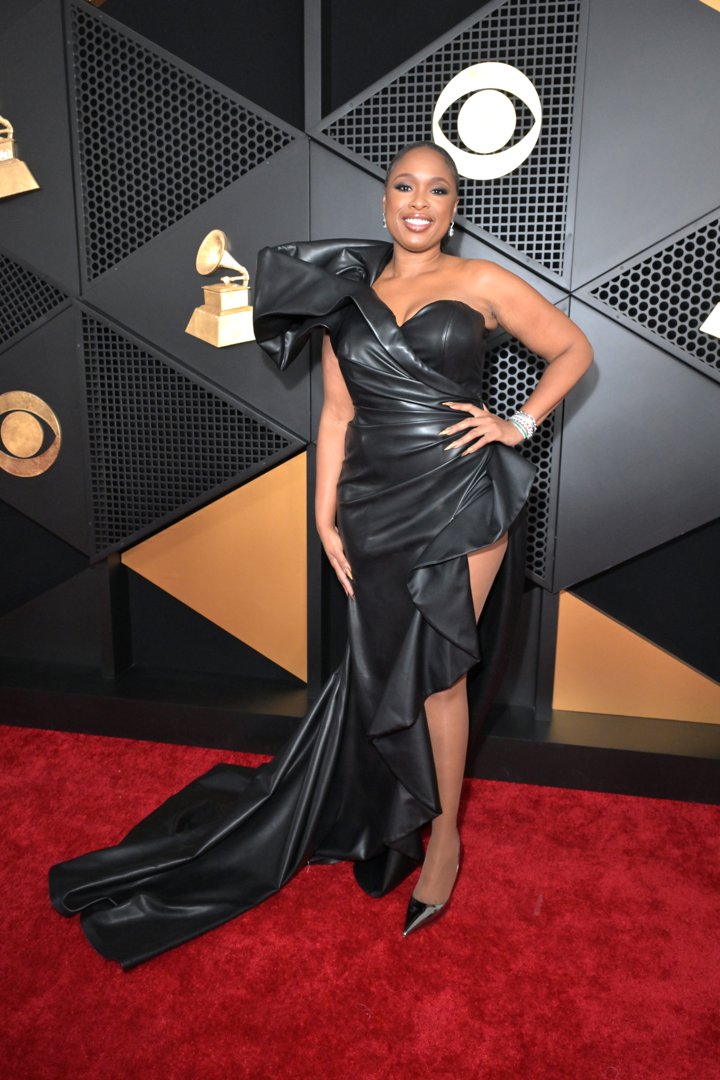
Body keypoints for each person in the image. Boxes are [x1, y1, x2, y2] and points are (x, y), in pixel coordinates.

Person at [49, 142, 593, 966]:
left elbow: (575, 351)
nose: (419, 202)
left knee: (439, 673)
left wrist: (516, 423)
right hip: (374, 506)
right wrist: (324, 516)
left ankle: (443, 842)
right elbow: (336, 414)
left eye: (438, 190)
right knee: (394, 671)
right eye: (404, 187)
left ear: (455, 208)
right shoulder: (348, 298)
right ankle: (393, 811)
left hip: (464, 498)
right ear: (384, 205)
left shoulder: (482, 285)